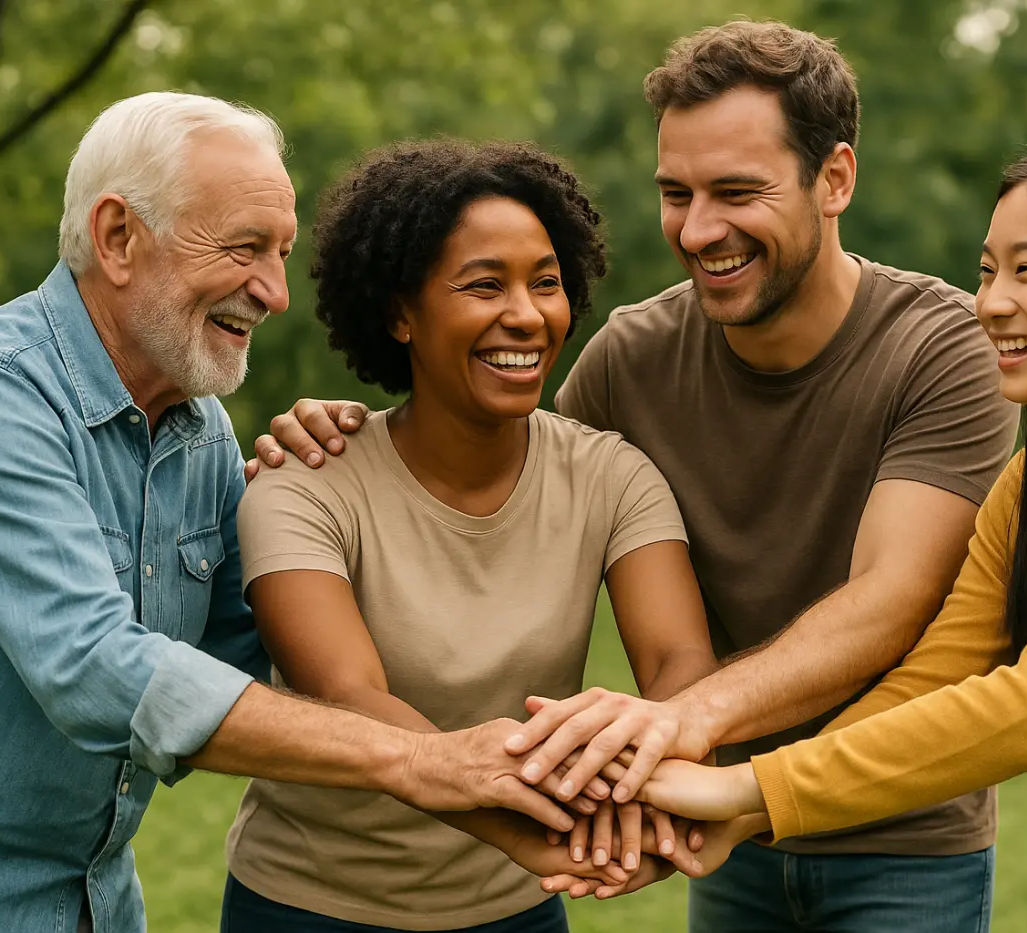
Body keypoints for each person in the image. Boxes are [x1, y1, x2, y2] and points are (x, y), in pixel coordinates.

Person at [250, 20, 1019, 930]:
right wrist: (337, 427)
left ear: (836, 179)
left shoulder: (942, 347)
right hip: (718, 826)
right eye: (675, 192)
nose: (699, 229)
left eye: (737, 191)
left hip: (897, 831)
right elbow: (502, 457)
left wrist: (681, 722)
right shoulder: (632, 358)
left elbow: (891, 597)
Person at [0, 93, 581, 933]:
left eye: (283, 253)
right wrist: (423, 760)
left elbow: (259, 653)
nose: (275, 292)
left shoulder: (201, 432)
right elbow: (95, 669)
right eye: (246, 248)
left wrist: (357, 484)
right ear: (118, 238)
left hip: (100, 905)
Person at [610, 135, 1027, 932]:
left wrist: (749, 789)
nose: (991, 302)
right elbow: (930, 678)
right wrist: (760, 799)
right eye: (986, 271)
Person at [219, 138, 717, 933]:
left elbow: (677, 663)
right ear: (400, 313)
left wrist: (645, 785)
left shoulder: (613, 476)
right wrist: (543, 832)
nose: (525, 314)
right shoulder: (306, 483)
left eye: (546, 283)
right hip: (312, 906)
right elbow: (350, 695)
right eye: (484, 284)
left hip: (515, 912)